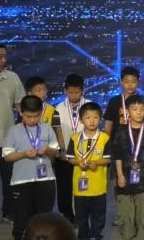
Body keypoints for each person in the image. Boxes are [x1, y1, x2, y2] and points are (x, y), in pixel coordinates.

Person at [3, 95, 59, 240]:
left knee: (44, 217)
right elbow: (7, 156)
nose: (33, 120)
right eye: (29, 116)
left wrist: (47, 150)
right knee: (21, 217)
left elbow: (55, 153)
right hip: (21, 181)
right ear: (21, 112)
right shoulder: (14, 131)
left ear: (41, 113)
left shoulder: (47, 128)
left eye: (36, 116)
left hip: (46, 179)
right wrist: (23, 154)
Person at [110, 95, 144, 240]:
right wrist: (120, 175)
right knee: (125, 214)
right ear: (128, 111)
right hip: (125, 179)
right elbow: (117, 156)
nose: (138, 112)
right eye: (134, 109)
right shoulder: (121, 131)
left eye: (142, 109)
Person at [65, 102, 112, 240]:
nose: (92, 121)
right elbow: (70, 158)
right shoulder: (75, 138)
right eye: (88, 117)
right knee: (81, 215)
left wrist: (96, 163)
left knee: (99, 215)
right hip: (80, 188)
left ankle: (96, 235)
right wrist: (78, 162)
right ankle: (83, 235)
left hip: (98, 187)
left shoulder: (104, 138)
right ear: (81, 120)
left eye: (96, 117)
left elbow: (108, 159)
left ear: (100, 119)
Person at [0, 42, 25, 224]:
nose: (4, 60)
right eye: (0, 56)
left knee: (10, 180)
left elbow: (21, 107)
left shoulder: (12, 78)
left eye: (5, 56)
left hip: (7, 141)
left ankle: (8, 212)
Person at [55, 74, 91, 223]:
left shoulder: (89, 106)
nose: (74, 95)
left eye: (77, 92)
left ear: (82, 91)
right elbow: (57, 130)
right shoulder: (58, 108)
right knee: (64, 187)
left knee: (83, 186)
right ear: (65, 90)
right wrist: (62, 150)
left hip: (85, 155)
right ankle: (67, 215)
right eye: (71, 92)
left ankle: (82, 215)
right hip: (64, 156)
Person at [103, 67, 144, 139]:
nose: (130, 85)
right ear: (121, 82)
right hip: (117, 142)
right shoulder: (114, 101)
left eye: (133, 82)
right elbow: (108, 125)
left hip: (139, 141)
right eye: (126, 82)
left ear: (138, 82)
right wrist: (106, 143)